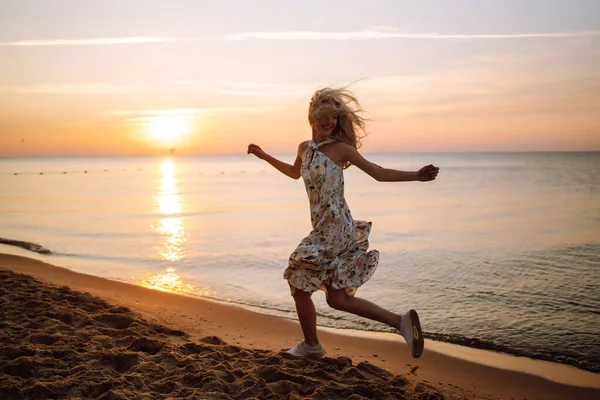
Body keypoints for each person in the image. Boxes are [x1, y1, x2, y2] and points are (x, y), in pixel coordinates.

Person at [247, 86, 439, 359]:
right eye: (324, 117)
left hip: (335, 227)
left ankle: (311, 345)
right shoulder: (305, 148)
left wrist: (416, 176)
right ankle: (401, 323)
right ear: (311, 118)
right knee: (337, 299)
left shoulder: (341, 149)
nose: (329, 122)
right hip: (328, 228)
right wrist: (264, 156)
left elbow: (378, 173)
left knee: (298, 277)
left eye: (334, 118)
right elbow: (293, 173)